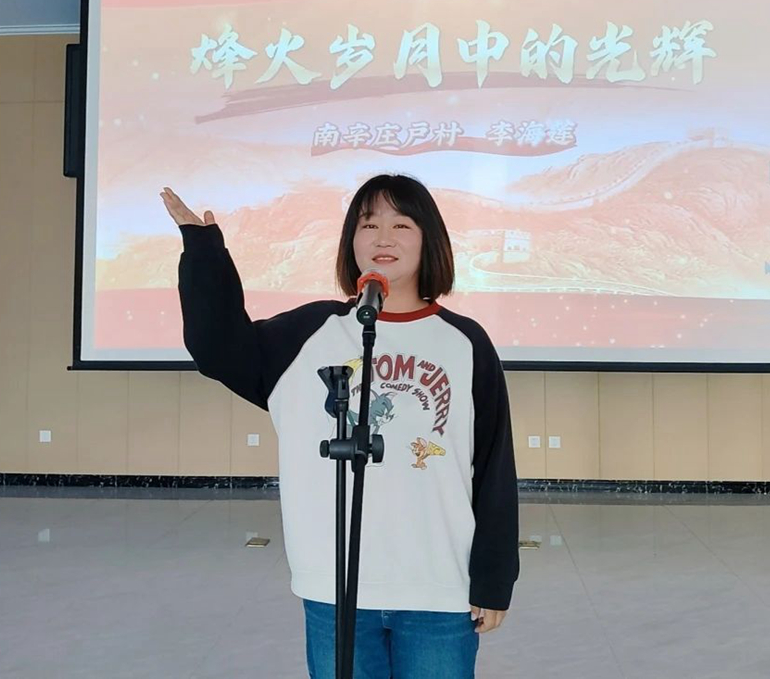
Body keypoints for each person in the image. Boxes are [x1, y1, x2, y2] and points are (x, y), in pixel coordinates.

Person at [161, 174, 519, 678]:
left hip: (439, 587)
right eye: (368, 225)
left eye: (401, 224)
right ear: (351, 240)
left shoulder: (465, 342)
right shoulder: (310, 333)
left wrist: (494, 579)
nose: (383, 237)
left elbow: (495, 467)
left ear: (429, 239)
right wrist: (204, 253)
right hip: (335, 587)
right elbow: (218, 347)